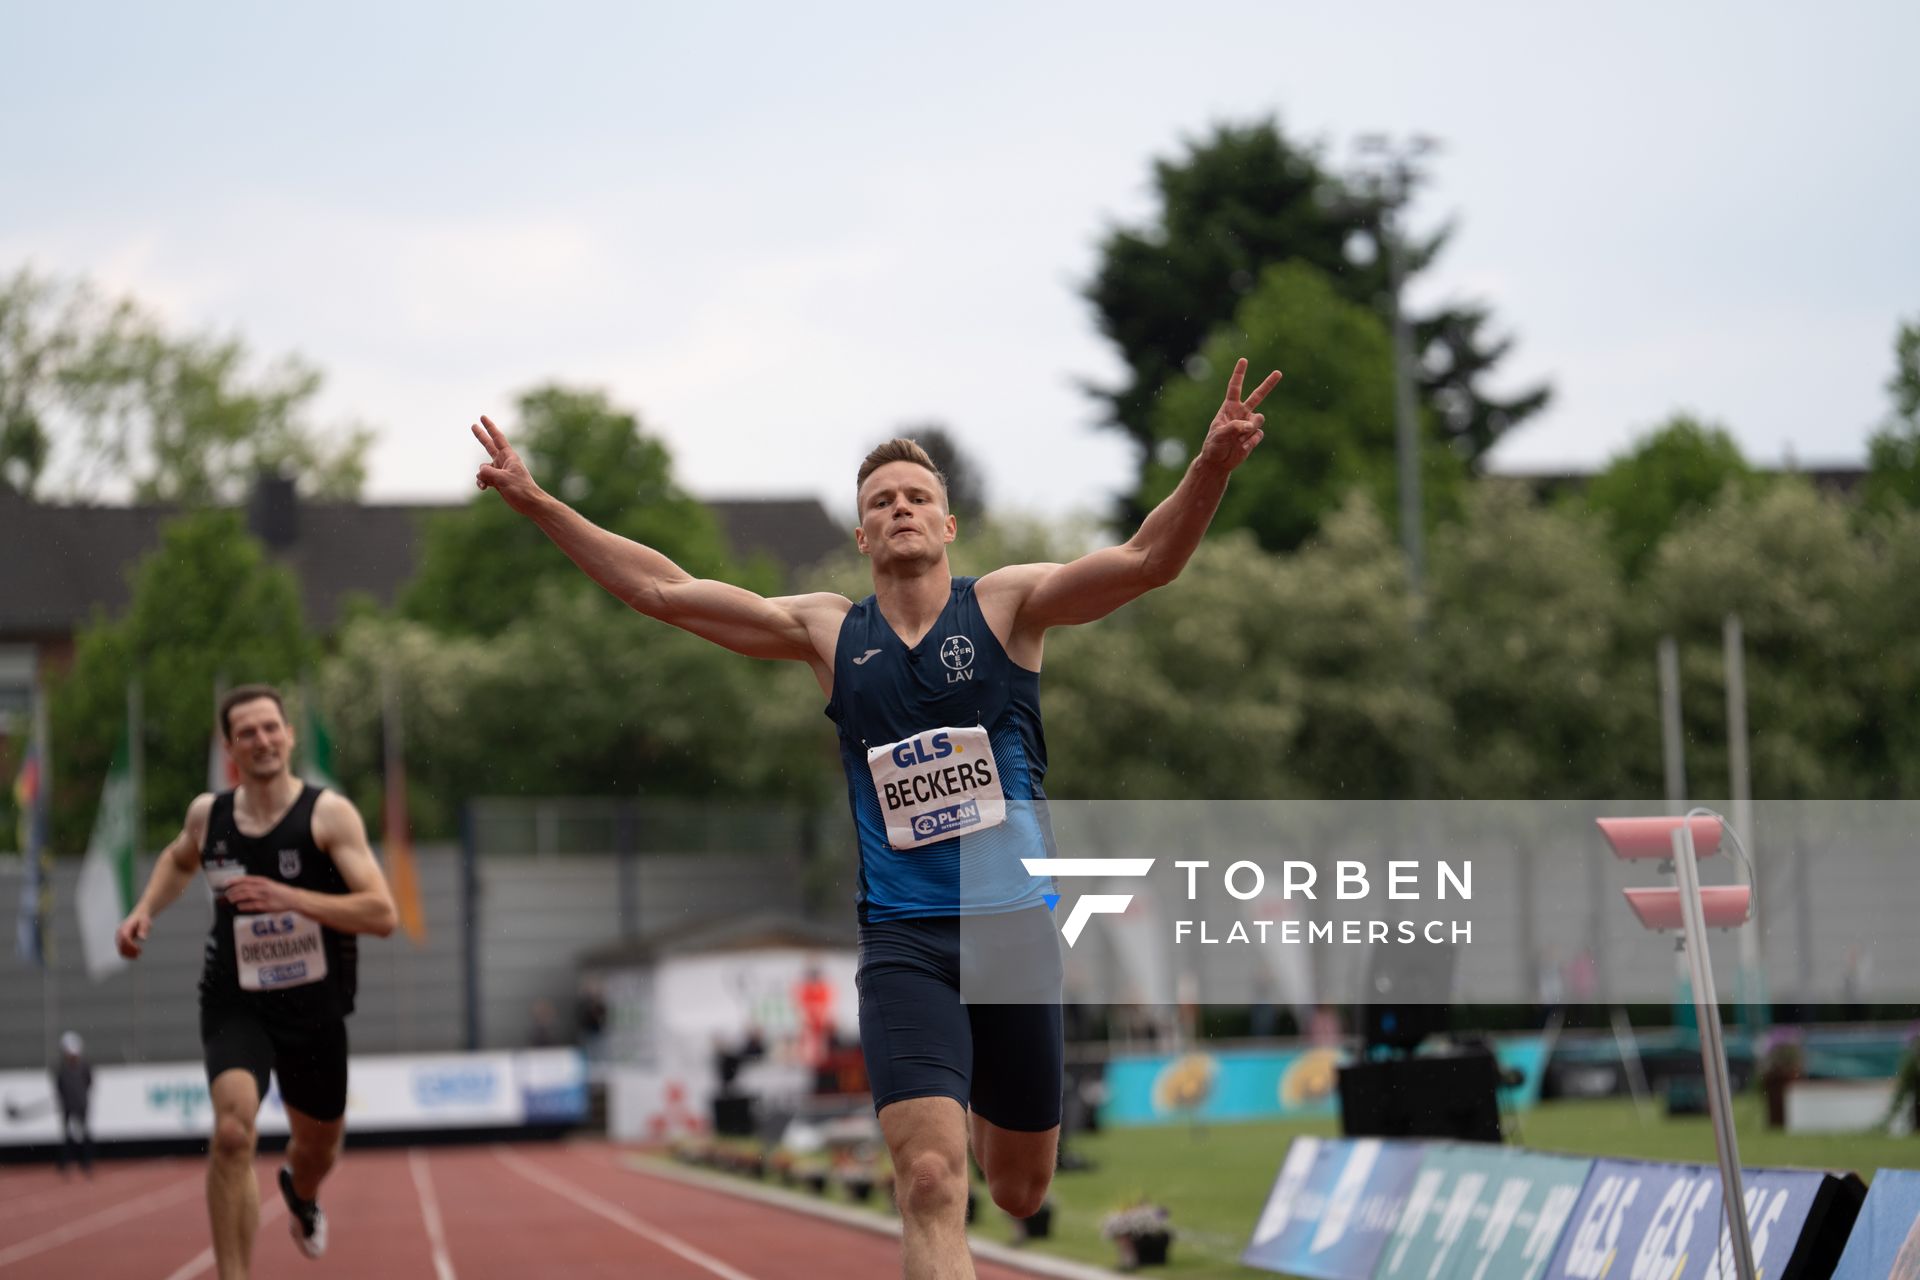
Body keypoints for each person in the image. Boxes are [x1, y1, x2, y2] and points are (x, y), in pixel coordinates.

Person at [472, 357, 1278, 1278]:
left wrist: (1210, 464)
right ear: (860, 533)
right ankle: (940, 1100)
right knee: (930, 1179)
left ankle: (976, 1093)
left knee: (1017, 1189)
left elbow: (1145, 561)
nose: (899, 507)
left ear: (947, 523)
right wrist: (538, 503)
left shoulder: (1008, 607)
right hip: (905, 944)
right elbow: (660, 590)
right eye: (882, 499)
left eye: (916, 495)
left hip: (1012, 936)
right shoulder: (828, 633)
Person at [115, 684, 397, 1279]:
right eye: (248, 732)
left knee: (318, 1149)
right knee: (232, 1132)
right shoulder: (208, 815)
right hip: (235, 999)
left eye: (271, 727)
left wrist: (288, 896)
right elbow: (177, 858)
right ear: (230, 748)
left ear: (289, 735)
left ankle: (303, 1191)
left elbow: (381, 914)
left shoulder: (327, 814)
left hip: (315, 1007)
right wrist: (145, 909)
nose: (263, 740)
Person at [53, 1031, 93, 1178]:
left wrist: (79, 1097)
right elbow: (59, 1086)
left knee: (85, 1134)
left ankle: (86, 1163)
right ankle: (65, 1164)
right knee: (66, 1136)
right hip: (67, 1105)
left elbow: (89, 1082)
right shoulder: (62, 1068)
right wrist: (65, 1099)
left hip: (81, 1104)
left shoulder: (83, 1066)